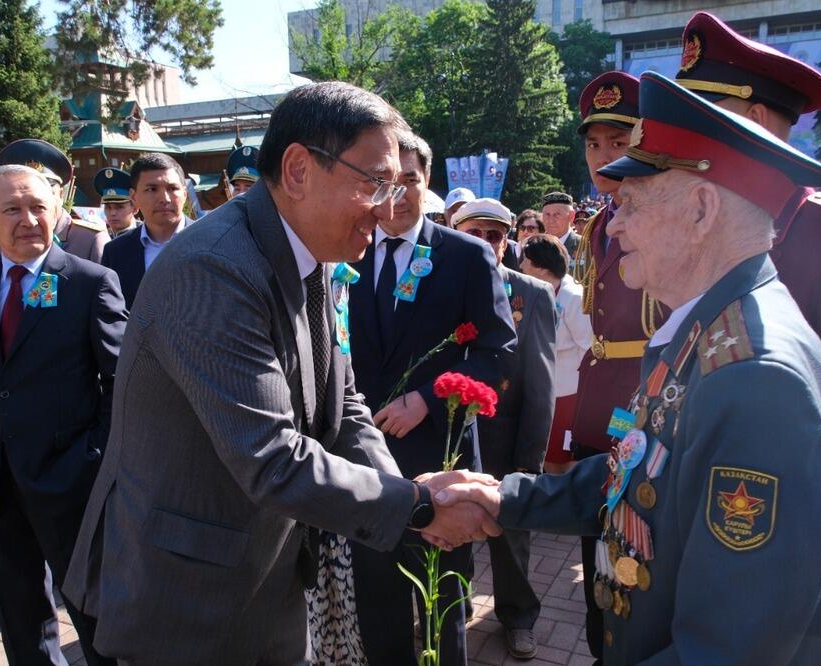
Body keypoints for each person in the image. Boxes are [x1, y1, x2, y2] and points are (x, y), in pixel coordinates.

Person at [61, 82, 501, 665]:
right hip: (190, 598)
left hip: (261, 574)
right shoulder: (214, 269)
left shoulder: (310, 251)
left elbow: (343, 406)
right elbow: (271, 456)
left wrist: (405, 492)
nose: (388, 205)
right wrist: (415, 506)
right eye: (373, 182)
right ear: (298, 170)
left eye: (395, 186)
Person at [431, 71, 821, 665]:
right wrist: (506, 498)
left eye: (631, 202)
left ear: (701, 209)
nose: (615, 223)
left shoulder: (758, 379)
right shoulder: (704, 330)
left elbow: (727, 651)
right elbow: (636, 475)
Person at [675, 10, 821, 577]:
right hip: (681, 514)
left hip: (785, 541)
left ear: (758, 122)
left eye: (703, 119)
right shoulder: (690, 222)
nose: (684, 139)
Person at [0, 165, 126, 665]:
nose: (28, 220)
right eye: (12, 209)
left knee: (95, 616)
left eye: (39, 206)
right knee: (21, 616)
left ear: (57, 211)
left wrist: (94, 455)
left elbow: (123, 385)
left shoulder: (89, 283)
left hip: (71, 481)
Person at [343, 133, 516, 666]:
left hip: (438, 460)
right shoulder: (347, 254)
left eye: (410, 181)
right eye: (383, 183)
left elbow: (498, 353)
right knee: (377, 596)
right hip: (364, 460)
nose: (396, 196)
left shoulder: (464, 256)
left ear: (429, 183)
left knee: (441, 600)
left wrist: (425, 399)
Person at [568, 70, 658, 661]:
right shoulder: (599, 222)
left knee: (635, 544)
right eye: (595, 144)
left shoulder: (654, 219)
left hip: (643, 399)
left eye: (619, 143)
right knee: (591, 530)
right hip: (599, 398)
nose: (604, 156)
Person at [451, 198, 556, 660]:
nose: (485, 243)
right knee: (450, 530)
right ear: (455, 233)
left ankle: (517, 616)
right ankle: (454, 608)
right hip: (449, 435)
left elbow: (540, 384)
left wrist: (529, 461)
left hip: (504, 437)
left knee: (510, 535)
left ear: (508, 239)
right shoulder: (437, 286)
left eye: (495, 235)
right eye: (474, 233)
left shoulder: (532, 293)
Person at [521, 234, 593, 473]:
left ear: (541, 268)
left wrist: (583, 398)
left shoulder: (573, 298)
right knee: (547, 456)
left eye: (526, 261)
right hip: (544, 390)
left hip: (568, 395)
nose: (520, 266)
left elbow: (589, 349)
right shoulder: (536, 291)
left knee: (562, 460)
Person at [100, 153, 192, 308]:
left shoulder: (211, 241)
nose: (165, 198)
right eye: (152, 189)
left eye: (172, 188)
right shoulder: (115, 252)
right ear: (133, 197)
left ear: (185, 193)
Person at [0, 139, 108, 262]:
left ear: (61, 195)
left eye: (46, 192)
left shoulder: (90, 239)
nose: (37, 201)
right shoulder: (12, 236)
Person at [540, 191, 581, 269]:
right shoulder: (533, 246)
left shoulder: (586, 246)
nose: (551, 220)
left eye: (557, 215)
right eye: (547, 214)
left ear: (571, 216)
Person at [93, 167, 138, 238]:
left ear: (135, 208)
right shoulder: (100, 238)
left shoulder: (148, 236)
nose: (112, 213)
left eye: (120, 207)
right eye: (108, 207)